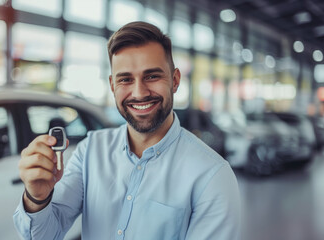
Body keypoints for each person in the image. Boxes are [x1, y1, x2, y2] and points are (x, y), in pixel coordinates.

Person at [13, 21, 241, 240]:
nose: (139, 92)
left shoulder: (212, 175)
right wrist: (37, 198)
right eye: (126, 79)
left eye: (152, 76)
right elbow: (44, 235)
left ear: (175, 80)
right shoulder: (90, 151)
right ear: (113, 86)